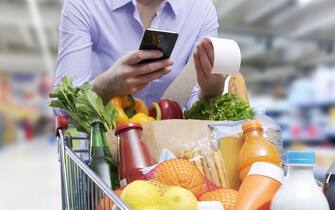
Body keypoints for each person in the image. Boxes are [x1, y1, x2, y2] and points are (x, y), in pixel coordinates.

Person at [55, 0, 225, 108]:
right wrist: (105, 87)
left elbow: (193, 101)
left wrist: (209, 91)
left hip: (170, 151)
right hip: (102, 147)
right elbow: (62, 108)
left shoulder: (201, 10)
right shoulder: (83, 5)